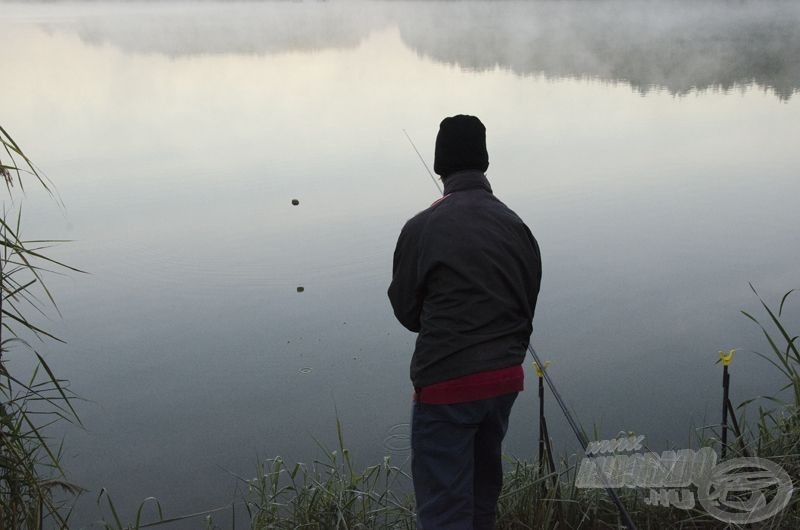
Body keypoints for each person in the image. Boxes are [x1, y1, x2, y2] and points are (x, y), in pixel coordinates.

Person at [388, 114, 542, 529]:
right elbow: (527, 300)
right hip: (505, 382)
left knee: (443, 512)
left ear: (440, 166)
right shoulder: (516, 225)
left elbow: (405, 310)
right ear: (484, 162)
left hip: (446, 386)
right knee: (481, 501)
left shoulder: (422, 227)